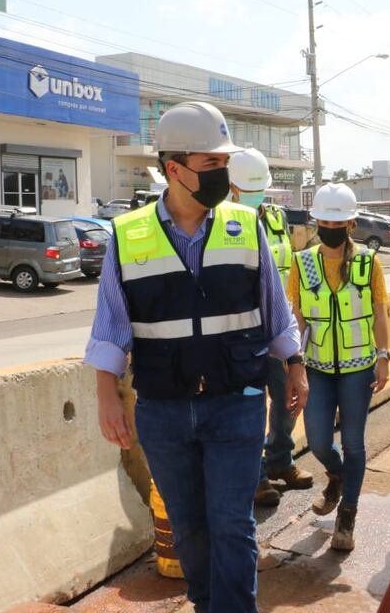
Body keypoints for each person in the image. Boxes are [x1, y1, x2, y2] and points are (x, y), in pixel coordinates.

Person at [85, 101, 306, 613]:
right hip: (163, 410)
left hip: (236, 402)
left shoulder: (245, 225)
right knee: (188, 526)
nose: (222, 173)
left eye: (224, 163)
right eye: (212, 163)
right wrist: (106, 397)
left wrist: (295, 365)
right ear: (174, 168)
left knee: (232, 523)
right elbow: (110, 326)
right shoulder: (128, 235)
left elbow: (274, 309)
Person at [289, 182, 390, 551]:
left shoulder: (368, 262)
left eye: (339, 223)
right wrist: (294, 365)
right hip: (316, 367)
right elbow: (297, 317)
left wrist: (383, 356)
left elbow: (379, 312)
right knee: (318, 440)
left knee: (353, 443)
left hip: (358, 368)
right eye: (325, 222)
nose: (331, 228)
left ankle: (347, 515)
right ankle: (337, 476)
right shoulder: (302, 263)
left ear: (351, 223)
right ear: (316, 222)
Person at [228, 147, 314, 507]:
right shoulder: (221, 222)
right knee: (251, 408)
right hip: (242, 332)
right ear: (231, 187)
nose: (255, 195)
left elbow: (290, 270)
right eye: (249, 189)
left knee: (287, 401)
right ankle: (256, 476)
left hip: (279, 328)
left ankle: (281, 459)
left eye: (259, 188)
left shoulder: (277, 218)